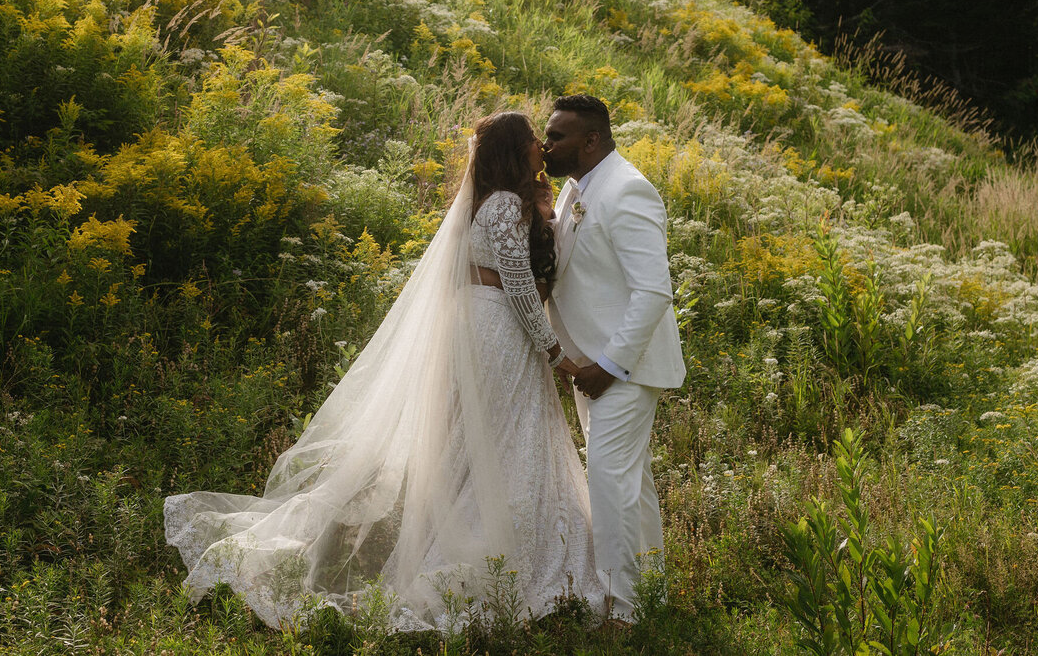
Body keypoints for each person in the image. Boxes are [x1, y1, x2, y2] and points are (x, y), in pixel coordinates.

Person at [164, 112, 603, 629]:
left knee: (479, 442)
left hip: (479, 321)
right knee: (507, 440)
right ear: (514, 150)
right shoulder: (506, 204)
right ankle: (496, 559)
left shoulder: (487, 203)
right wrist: (555, 354)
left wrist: (547, 218)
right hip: (499, 328)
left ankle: (476, 543)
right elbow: (520, 286)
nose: (540, 149)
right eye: (533, 141)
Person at [542, 94, 686, 622]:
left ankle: (623, 613)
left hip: (623, 366)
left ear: (592, 140)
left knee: (609, 482)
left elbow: (653, 291)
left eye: (557, 136)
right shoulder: (575, 188)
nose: (546, 143)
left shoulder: (628, 189)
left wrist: (609, 367)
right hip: (591, 367)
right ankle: (648, 596)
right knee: (630, 484)